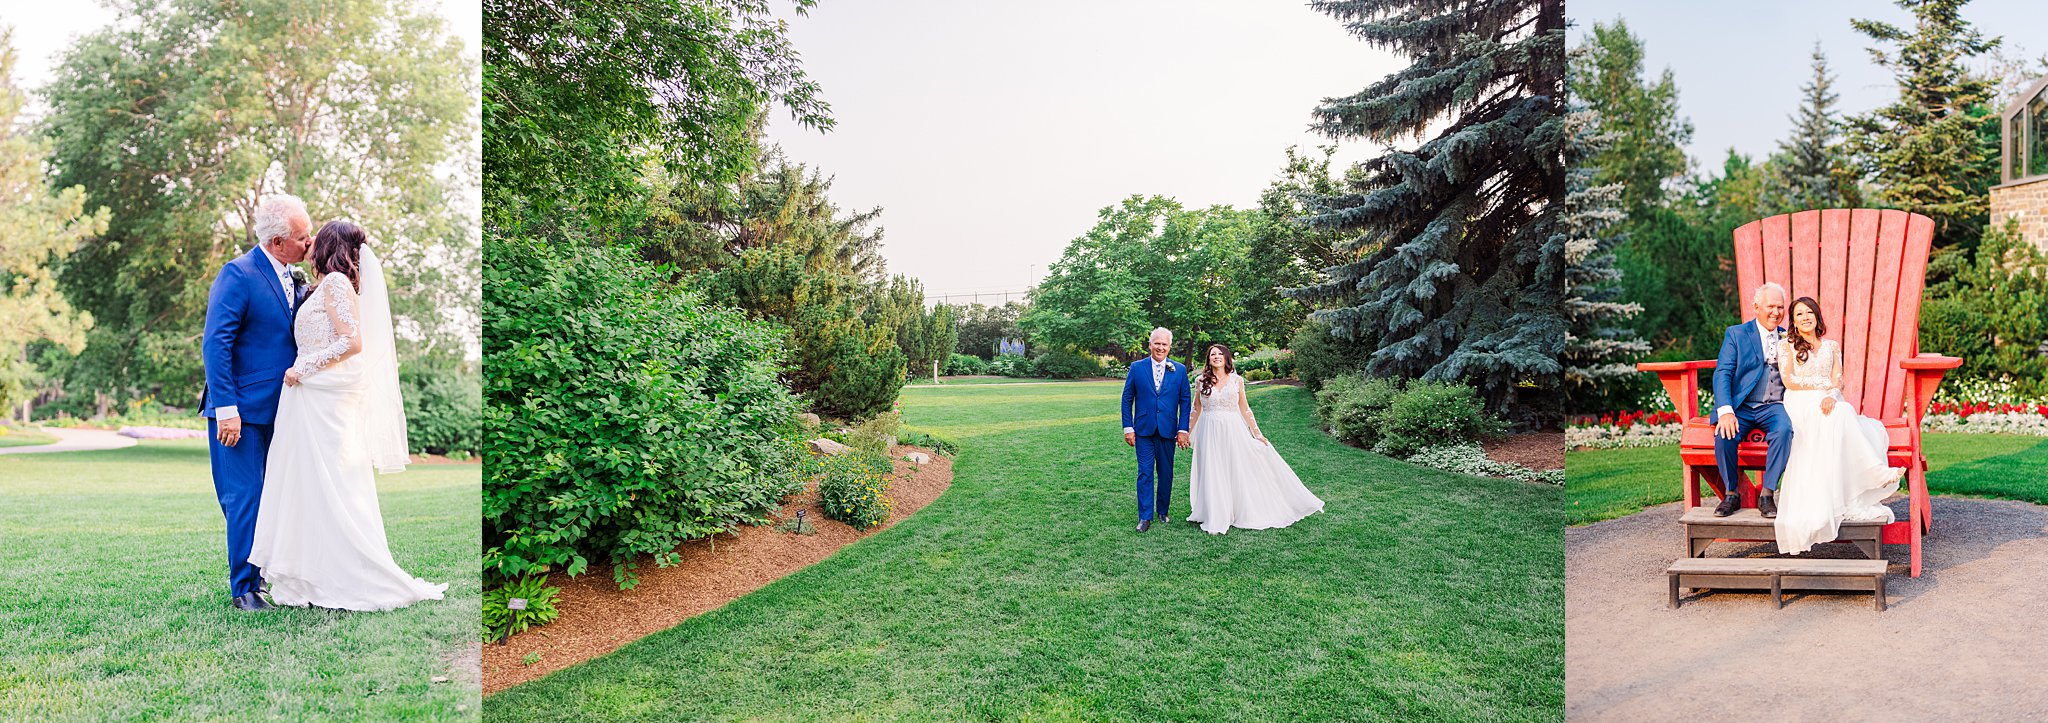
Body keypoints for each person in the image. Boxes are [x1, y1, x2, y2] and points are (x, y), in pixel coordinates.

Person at [246, 220, 446, 611]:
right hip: (308, 399)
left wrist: (302, 368)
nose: (310, 240)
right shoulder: (323, 285)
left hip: (321, 398)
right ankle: (311, 577)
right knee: (309, 490)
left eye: (315, 236)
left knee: (332, 487)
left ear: (329, 244)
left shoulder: (337, 283)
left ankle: (346, 577)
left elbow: (352, 342)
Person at [200, 193, 311, 611]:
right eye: (303, 237)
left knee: (273, 497)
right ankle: (244, 589)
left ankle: (268, 575)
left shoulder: (292, 276)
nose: (310, 243)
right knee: (244, 496)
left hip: (282, 410)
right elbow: (216, 343)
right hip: (239, 413)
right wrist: (227, 408)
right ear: (278, 241)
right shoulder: (238, 274)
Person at [1770, 297, 1903, 554]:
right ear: (1794, 322)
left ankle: (1874, 472)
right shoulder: (1786, 345)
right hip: (1801, 401)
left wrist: (1831, 394)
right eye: (1799, 314)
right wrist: (1823, 389)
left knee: (1842, 410)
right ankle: (1875, 472)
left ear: (1818, 317)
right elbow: (1789, 380)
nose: (1806, 317)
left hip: (1829, 399)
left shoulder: (1831, 346)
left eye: (1810, 312)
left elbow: (1837, 379)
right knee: (1842, 414)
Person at [1185, 344, 1324, 534]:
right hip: (1208, 430)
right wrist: (1185, 431)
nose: (1216, 357)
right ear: (1208, 360)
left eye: (1219, 354)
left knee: (1234, 467)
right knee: (1212, 468)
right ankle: (1215, 512)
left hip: (1233, 429)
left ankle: (1237, 509)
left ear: (1226, 358)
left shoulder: (1237, 381)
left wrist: (1257, 433)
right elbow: (1196, 409)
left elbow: (1245, 409)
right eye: (1212, 355)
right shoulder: (1202, 381)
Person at [1710, 283, 1795, 518]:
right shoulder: (1737, 334)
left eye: (1780, 307)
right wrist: (1726, 411)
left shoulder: (1788, 338)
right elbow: (1723, 372)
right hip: (1743, 406)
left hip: (1775, 405)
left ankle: (1767, 495)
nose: (1776, 312)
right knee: (1724, 434)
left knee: (1784, 431)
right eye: (1770, 306)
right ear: (1756, 307)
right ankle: (1731, 494)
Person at [1121, 327, 1191, 533]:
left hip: (1168, 430)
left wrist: (1183, 429)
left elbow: (1185, 401)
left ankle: (1163, 511)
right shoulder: (1137, 367)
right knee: (1144, 472)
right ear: (1150, 345)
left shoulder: (1179, 370)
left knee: (1166, 473)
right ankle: (1144, 517)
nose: (1160, 347)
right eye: (1157, 343)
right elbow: (1127, 399)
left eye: (1164, 344)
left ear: (1169, 347)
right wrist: (1128, 427)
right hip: (1143, 430)